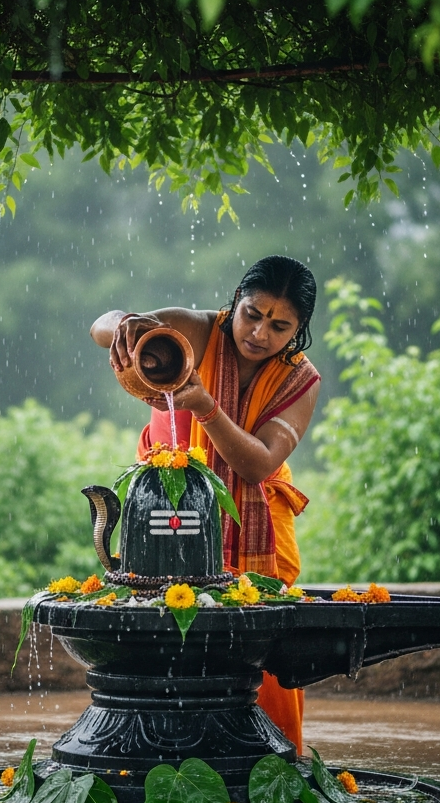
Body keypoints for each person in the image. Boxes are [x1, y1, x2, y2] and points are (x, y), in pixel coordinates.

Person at [90, 255, 320, 751]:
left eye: (280, 326)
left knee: (264, 649)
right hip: (171, 512)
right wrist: (124, 325)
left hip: (259, 527)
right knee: (165, 636)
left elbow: (258, 464)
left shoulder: (300, 382)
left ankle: (273, 768)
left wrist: (204, 406)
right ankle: (164, 759)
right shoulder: (193, 330)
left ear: (298, 332)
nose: (260, 333)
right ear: (235, 301)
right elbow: (101, 326)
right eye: (252, 314)